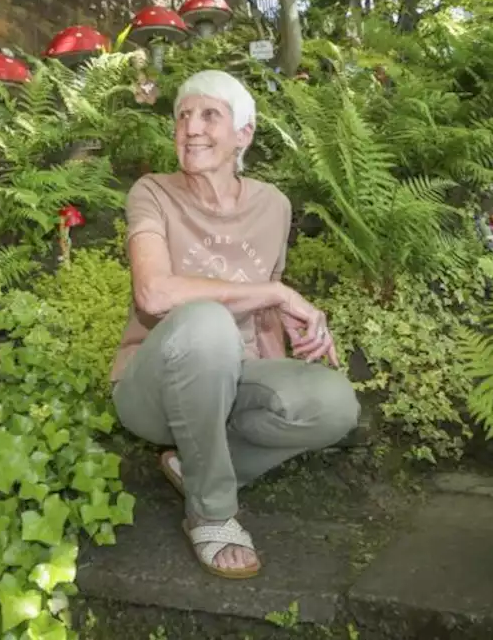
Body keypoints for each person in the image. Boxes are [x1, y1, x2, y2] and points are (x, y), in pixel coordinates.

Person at [111, 69, 360, 580]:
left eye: (209, 115)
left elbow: (261, 310)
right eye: (183, 116)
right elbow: (154, 293)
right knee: (206, 323)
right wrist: (273, 291)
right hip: (155, 386)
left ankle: (195, 469)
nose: (191, 127)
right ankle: (212, 511)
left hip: (236, 378)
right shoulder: (152, 192)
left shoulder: (274, 205)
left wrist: (290, 338)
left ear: (244, 134)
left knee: (335, 404)